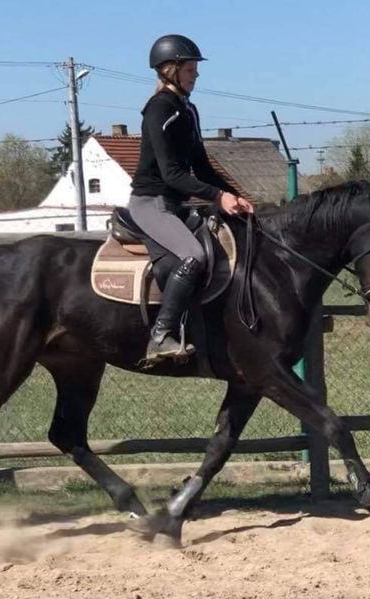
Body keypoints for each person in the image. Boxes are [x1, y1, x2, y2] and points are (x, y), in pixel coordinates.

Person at [129, 34, 254, 364]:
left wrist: (236, 196)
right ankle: (161, 336)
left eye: (195, 69)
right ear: (170, 70)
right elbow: (172, 175)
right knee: (194, 256)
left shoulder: (188, 110)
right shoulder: (159, 111)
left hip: (175, 205)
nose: (195, 75)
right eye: (190, 69)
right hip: (150, 203)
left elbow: (201, 167)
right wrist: (217, 196)